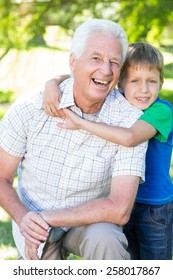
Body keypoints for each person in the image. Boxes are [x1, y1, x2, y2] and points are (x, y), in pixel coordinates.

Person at [0, 19, 148, 260]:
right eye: (96, 58)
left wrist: (49, 217)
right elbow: (1, 177)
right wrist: (24, 218)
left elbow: (120, 209)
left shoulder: (131, 122)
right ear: (72, 62)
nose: (106, 70)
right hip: (34, 216)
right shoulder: (31, 107)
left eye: (114, 62)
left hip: (90, 220)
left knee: (106, 240)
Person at [43, 42, 173, 260]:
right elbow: (77, 78)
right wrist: (52, 82)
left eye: (152, 82)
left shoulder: (162, 111)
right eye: (135, 81)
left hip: (154, 209)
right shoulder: (118, 104)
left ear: (161, 82)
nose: (144, 89)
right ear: (120, 84)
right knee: (125, 265)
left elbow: (129, 137)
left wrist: (81, 123)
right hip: (119, 204)